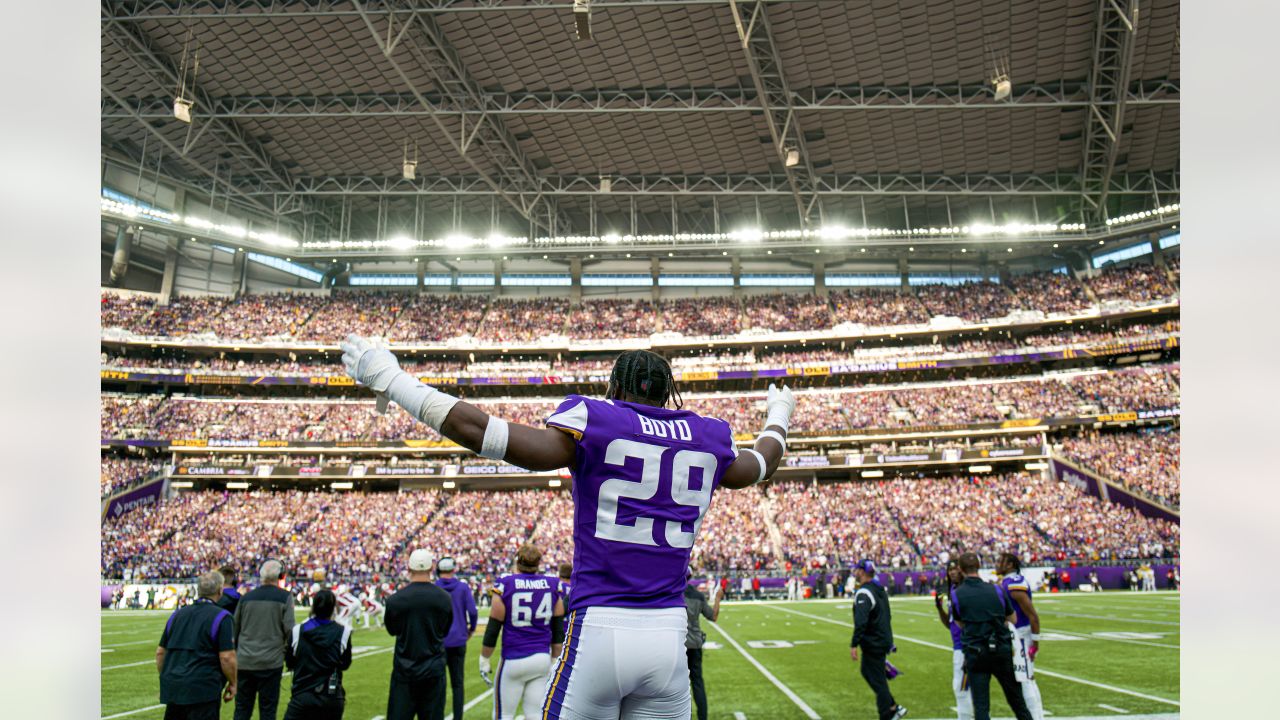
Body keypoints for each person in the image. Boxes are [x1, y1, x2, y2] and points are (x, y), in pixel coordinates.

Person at [340, 340, 795, 719]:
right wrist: (779, 413)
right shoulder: (708, 435)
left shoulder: (595, 418)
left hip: (599, 626)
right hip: (668, 639)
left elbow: (483, 432)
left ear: (615, 386)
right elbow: (762, 463)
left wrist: (392, 380)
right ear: (668, 391)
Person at [479, 544, 565, 720]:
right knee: (535, 714)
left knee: (504, 715)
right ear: (538, 563)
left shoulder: (505, 584)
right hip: (541, 658)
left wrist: (485, 658)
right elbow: (557, 629)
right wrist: (555, 658)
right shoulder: (552, 584)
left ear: (518, 562)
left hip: (514, 658)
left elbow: (493, 627)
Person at [953, 553, 1032, 720]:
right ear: (979, 566)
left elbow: (960, 623)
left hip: (976, 652)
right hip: (1001, 649)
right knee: (1017, 702)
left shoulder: (957, 594)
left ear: (960, 569)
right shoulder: (997, 589)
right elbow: (1012, 619)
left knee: (981, 707)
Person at [157, 570, 237, 720]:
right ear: (220, 591)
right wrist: (233, 683)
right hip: (203, 689)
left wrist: (166, 677)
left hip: (175, 687)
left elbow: (161, 653)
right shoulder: (222, 616)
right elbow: (226, 657)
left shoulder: (177, 615)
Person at [384, 548, 454, 720]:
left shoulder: (395, 600)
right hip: (433, 670)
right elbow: (445, 630)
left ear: (409, 568)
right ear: (431, 568)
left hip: (404, 670)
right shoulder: (444, 598)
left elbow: (392, 630)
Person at [233, 559, 295, 720]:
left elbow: (235, 628)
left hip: (245, 660)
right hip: (271, 661)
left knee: (242, 709)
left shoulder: (246, 597)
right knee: (268, 711)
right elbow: (290, 630)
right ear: (280, 576)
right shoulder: (285, 597)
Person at [849, 560, 907, 720]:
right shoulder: (878, 589)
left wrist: (854, 644)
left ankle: (888, 713)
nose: (855, 573)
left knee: (878, 680)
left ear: (862, 571)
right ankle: (894, 706)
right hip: (881, 639)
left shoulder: (864, 593)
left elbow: (861, 622)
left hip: (873, 642)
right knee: (868, 672)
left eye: (857, 570)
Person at [283, 590, 352, 720]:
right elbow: (345, 664)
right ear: (333, 608)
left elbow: (290, 661)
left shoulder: (298, 631)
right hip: (331, 696)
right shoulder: (343, 632)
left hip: (303, 694)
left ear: (313, 606)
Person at [996, 554, 1045, 720]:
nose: (997, 564)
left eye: (1000, 561)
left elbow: (1032, 614)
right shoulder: (1008, 582)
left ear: (1010, 565)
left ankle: (1035, 717)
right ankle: (1037, 716)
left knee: (1025, 680)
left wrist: (1035, 641)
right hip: (1017, 636)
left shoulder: (1013, 584)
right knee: (1028, 679)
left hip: (1021, 636)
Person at [435, 556, 477, 720]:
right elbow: (472, 611)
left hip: (440, 640)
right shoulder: (462, 587)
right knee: (458, 683)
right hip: (459, 638)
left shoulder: (435, 587)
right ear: (453, 570)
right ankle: (457, 717)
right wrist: (471, 629)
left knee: (439, 683)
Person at [935, 560, 973, 720]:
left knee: (962, 688)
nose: (952, 572)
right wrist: (939, 608)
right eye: (949, 570)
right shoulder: (953, 590)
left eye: (955, 569)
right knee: (963, 688)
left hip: (965, 647)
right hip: (958, 646)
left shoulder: (965, 591)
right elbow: (949, 624)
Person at [684, 573, 723, 720]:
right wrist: (718, 598)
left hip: (678, 645)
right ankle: (702, 717)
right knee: (697, 682)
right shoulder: (698, 595)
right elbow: (713, 616)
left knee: (673, 685)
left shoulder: (673, 592)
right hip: (694, 643)